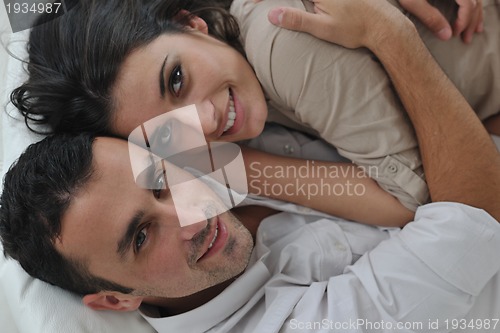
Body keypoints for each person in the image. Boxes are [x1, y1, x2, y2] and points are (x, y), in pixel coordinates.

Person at [2, 1, 500, 332]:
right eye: (140, 238)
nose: (190, 214)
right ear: (114, 301)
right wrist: (387, 32)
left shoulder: (195, 146)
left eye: (157, 180)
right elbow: (477, 215)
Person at [10, 0, 500, 215]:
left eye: (176, 79)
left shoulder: (284, 46)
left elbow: (450, 212)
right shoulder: (242, 77)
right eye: (168, 129)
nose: (203, 122)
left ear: (192, 23)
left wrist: (242, 167)